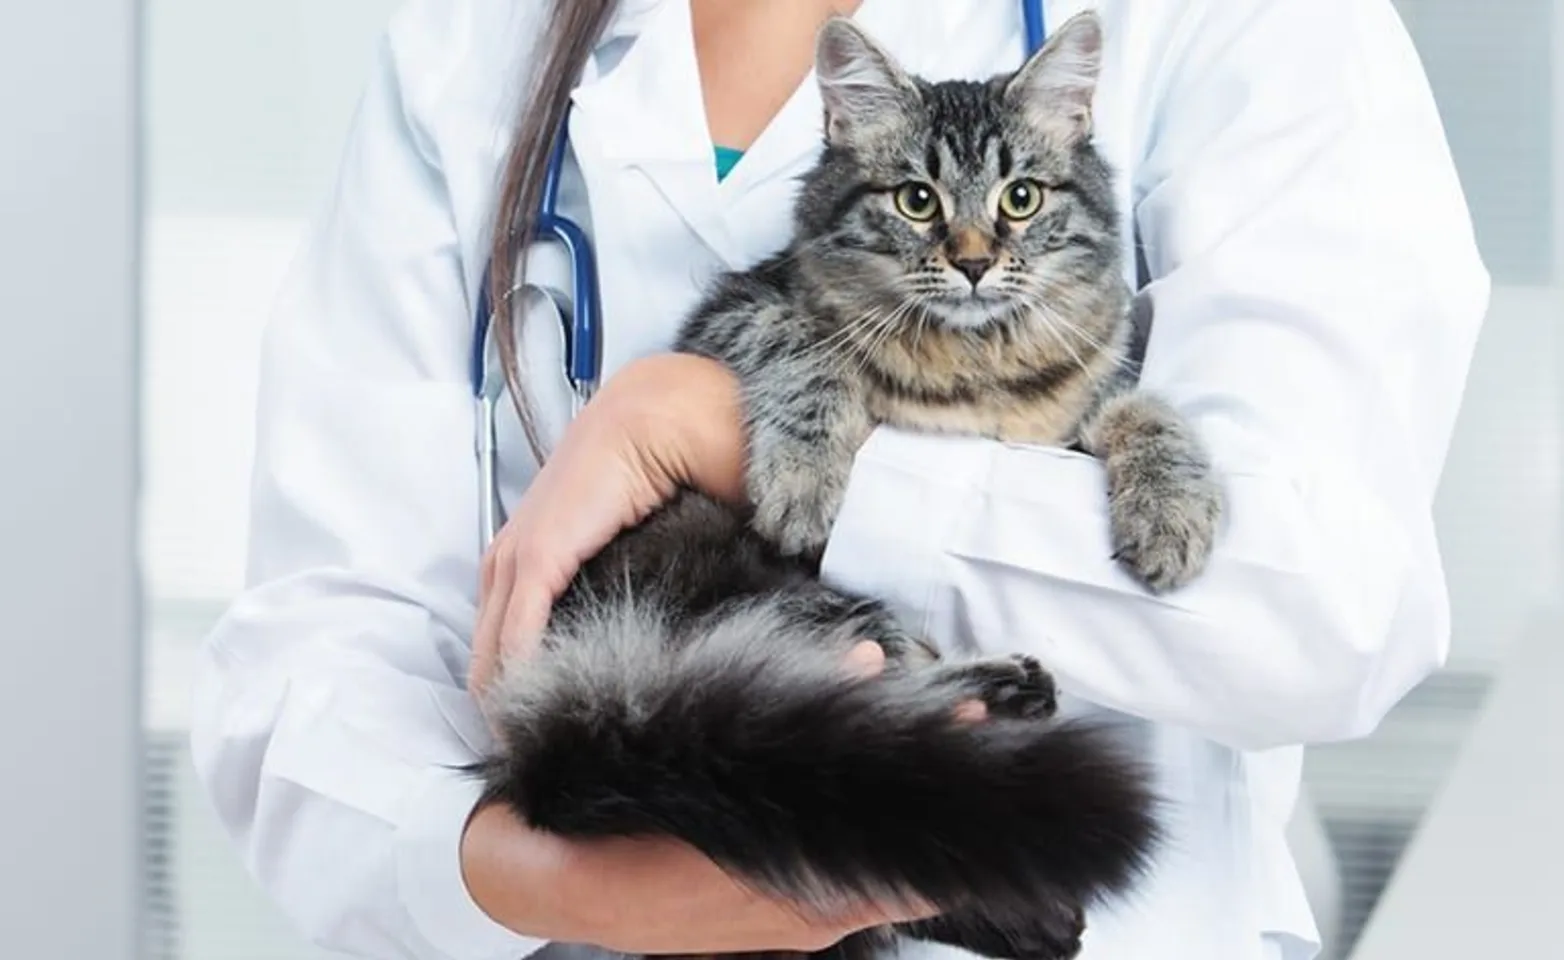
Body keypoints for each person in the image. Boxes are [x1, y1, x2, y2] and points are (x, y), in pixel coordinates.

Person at [188, 1, 1490, 959]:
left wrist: (731, 430)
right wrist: (519, 875)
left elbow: (1324, 599)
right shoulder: (472, 51)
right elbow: (310, 668)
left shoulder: (1240, 28)